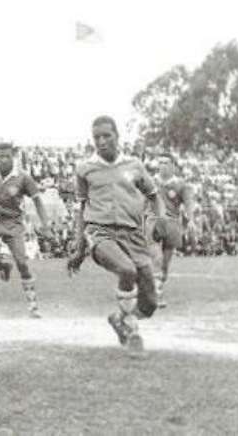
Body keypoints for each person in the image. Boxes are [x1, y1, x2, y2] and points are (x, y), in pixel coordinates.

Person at [67, 116, 167, 355]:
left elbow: (154, 196)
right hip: (100, 232)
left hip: (133, 235)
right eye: (96, 137)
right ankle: (132, 332)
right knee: (126, 270)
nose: (101, 141)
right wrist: (80, 246)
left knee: (150, 304)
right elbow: (81, 208)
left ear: (117, 136)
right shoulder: (85, 169)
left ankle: (119, 317)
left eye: (106, 136)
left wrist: (161, 220)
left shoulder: (134, 165)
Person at [0, 142, 51, 319]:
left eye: (7, 156)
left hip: (12, 223)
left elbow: (37, 200)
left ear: (13, 156)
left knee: (22, 262)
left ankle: (33, 306)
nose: (4, 159)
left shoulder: (23, 177)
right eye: (0, 156)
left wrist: (46, 224)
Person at [148, 154, 195, 308]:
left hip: (173, 224)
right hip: (153, 220)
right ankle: (155, 294)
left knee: (165, 265)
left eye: (166, 163)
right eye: (160, 162)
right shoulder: (150, 181)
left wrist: (191, 220)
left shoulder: (181, 185)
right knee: (156, 258)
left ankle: (157, 288)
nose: (162, 166)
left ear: (173, 165)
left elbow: (189, 203)